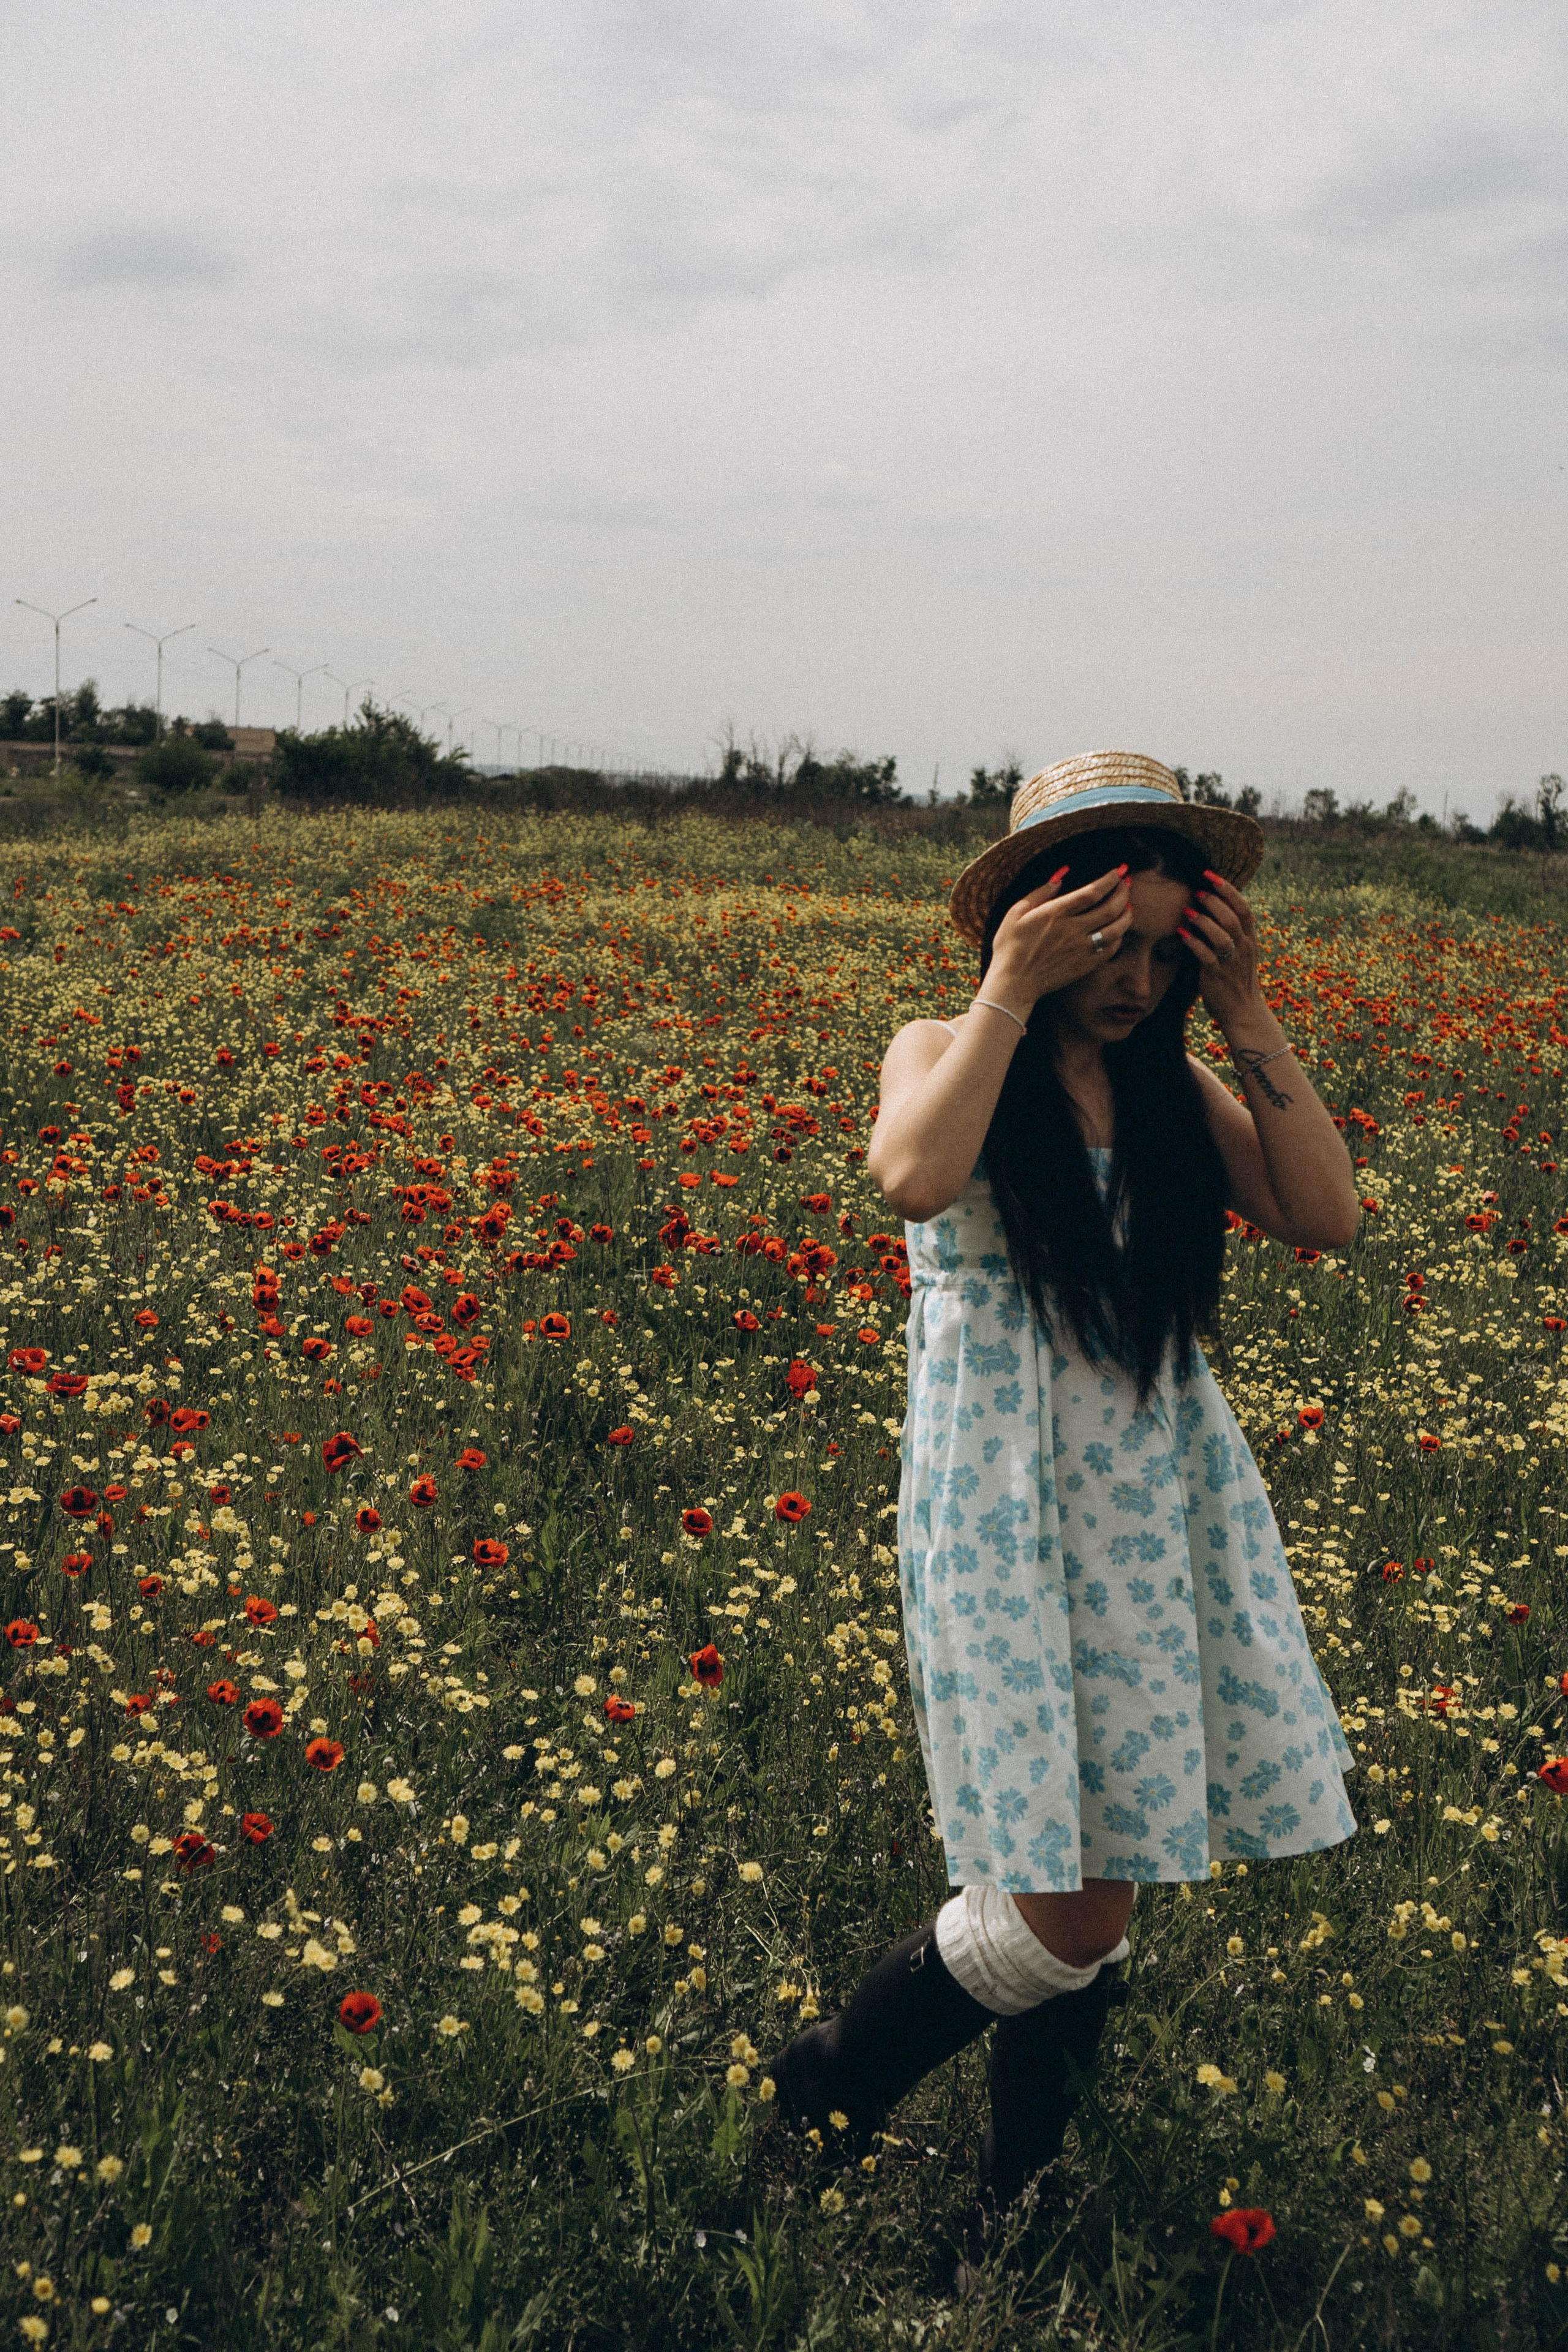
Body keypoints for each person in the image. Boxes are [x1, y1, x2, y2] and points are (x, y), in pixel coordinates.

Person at [771, 749, 1360, 2245]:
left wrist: (1241, 1013)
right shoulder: (943, 1045)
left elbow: (1323, 1214)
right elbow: (908, 1177)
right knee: (1061, 1899)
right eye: (1108, 939)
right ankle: (827, 2083)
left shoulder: (1177, 1090)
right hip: (1001, 1519)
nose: (1133, 979)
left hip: (1157, 1513)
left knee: (1112, 1854)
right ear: (1034, 920)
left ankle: (1014, 2193)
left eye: (1166, 950)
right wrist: (1007, 1000)